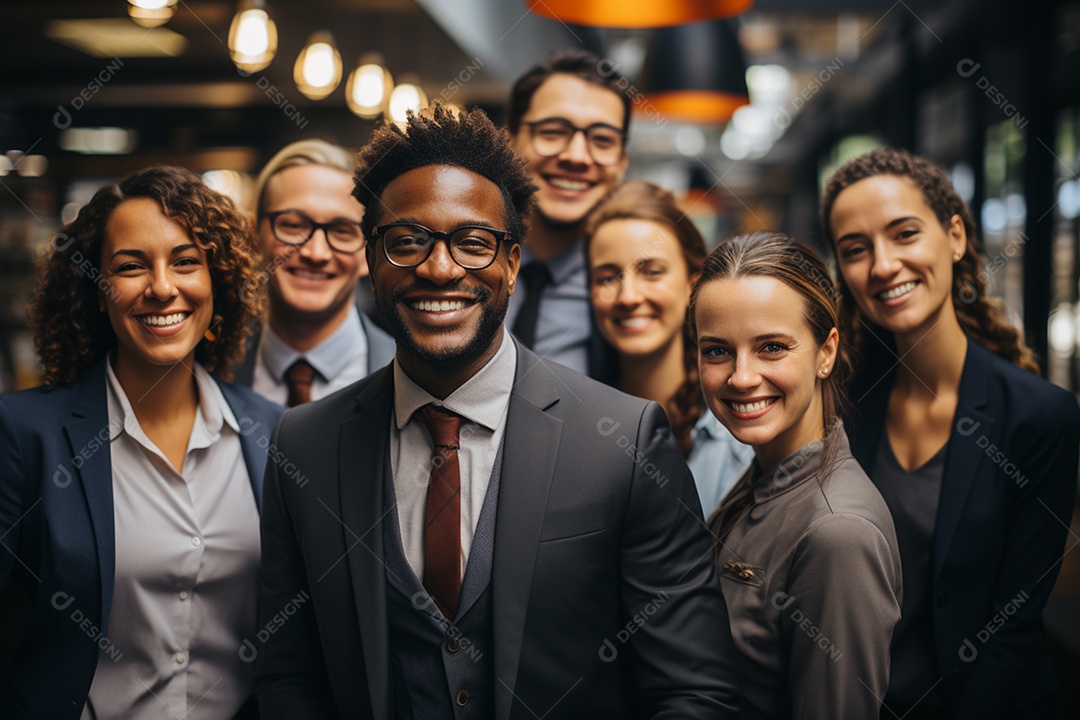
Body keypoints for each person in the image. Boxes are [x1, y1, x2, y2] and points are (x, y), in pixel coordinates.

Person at [254, 104, 742, 719]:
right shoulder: (305, 445)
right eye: (407, 242)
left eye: (473, 243)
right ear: (371, 260)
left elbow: (694, 691)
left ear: (512, 263)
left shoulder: (622, 440)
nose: (439, 268)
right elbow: (288, 675)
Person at [0, 166, 282, 719]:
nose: (162, 287)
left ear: (217, 283)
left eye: (185, 261)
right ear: (96, 293)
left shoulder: (275, 432)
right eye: (131, 266)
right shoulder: (22, 433)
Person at [821, 147, 1080, 720]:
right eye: (855, 250)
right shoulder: (839, 401)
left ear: (956, 236)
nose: (883, 265)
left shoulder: (1040, 417)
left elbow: (1011, 631)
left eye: (904, 233)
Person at [692, 231, 902, 719]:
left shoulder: (838, 533)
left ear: (826, 352)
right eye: (717, 351)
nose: (741, 377)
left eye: (771, 347)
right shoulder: (762, 478)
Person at [585, 180, 752, 515]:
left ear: (694, 284)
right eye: (607, 277)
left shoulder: (739, 434)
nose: (628, 296)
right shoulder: (578, 422)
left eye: (652, 272)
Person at [234, 139, 394, 406]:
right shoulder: (210, 367)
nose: (316, 253)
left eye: (342, 230)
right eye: (294, 225)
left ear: (370, 253)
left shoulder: (411, 376)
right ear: (253, 237)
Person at [505, 49, 629, 381]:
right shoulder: (456, 262)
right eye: (552, 132)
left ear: (621, 163)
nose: (576, 156)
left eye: (602, 140)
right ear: (509, 141)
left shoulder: (635, 293)